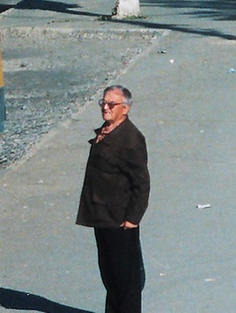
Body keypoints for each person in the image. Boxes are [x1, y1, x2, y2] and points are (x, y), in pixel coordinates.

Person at [77, 85, 150, 313]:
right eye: (103, 103)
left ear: (125, 109)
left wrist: (133, 218)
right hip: (102, 215)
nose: (105, 108)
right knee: (109, 273)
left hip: (120, 219)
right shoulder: (106, 131)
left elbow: (141, 183)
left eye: (111, 104)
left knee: (125, 278)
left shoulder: (130, 139)